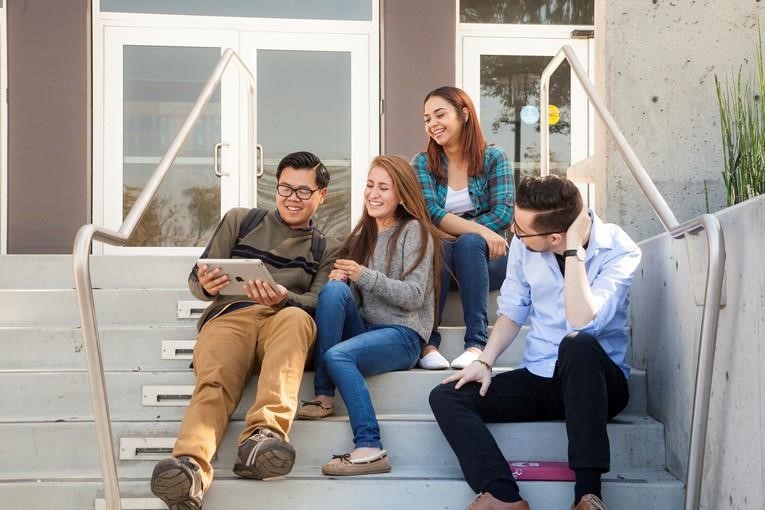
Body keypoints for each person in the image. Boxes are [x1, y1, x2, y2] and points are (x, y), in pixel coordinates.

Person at [429, 175, 642, 510]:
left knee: (578, 343)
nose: (514, 232)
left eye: (521, 229)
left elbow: (583, 320)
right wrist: (484, 361)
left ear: (556, 236)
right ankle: (502, 495)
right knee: (446, 396)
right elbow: (512, 312)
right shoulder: (524, 247)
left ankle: (588, 496)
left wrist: (573, 252)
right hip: (541, 377)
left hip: (598, 383)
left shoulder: (619, 248)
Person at [150, 151, 342, 510]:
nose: (291, 198)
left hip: (283, 317)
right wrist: (206, 284)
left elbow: (320, 301)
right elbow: (197, 280)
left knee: (298, 319)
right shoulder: (241, 220)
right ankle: (190, 467)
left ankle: (261, 439)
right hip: (230, 314)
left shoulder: (327, 248)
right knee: (215, 381)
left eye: (303, 191)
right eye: (285, 188)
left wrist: (286, 297)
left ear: (322, 195)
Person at [295, 155, 441, 476]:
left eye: (383, 188)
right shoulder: (362, 237)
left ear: (401, 195)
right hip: (367, 330)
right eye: (370, 185)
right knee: (333, 292)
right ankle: (323, 396)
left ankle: (370, 447)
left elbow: (414, 296)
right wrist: (344, 281)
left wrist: (362, 275)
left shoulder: (414, 231)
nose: (373, 193)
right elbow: (356, 299)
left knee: (338, 356)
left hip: (403, 335)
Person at [412, 86, 514, 370]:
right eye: (427, 118)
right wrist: (480, 230)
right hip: (441, 261)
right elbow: (429, 213)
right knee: (443, 244)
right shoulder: (422, 163)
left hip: (488, 261)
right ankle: (428, 343)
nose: (432, 124)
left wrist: (474, 235)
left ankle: (476, 344)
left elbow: (504, 213)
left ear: (464, 114)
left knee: (468, 244)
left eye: (440, 114)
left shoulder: (494, 157)